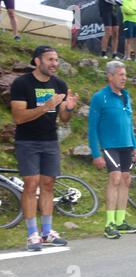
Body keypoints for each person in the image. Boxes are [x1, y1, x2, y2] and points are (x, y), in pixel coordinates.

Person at [10, 46, 79, 251]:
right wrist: (46, 105)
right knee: (31, 185)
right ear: (37, 61)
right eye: (50, 60)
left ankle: (47, 232)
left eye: (56, 60)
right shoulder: (22, 83)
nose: (54, 64)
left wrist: (68, 109)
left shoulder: (59, 84)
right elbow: (19, 117)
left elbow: (64, 119)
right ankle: (32, 235)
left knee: (48, 184)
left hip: (50, 140)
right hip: (27, 141)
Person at [88, 61, 136, 239]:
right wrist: (96, 153)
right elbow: (92, 128)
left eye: (125, 75)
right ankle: (109, 224)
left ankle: (121, 221)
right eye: (120, 75)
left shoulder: (126, 96)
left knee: (126, 179)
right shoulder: (99, 97)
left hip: (127, 145)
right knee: (115, 178)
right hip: (110, 146)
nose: (124, 78)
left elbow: (130, 124)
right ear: (110, 76)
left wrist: (135, 146)